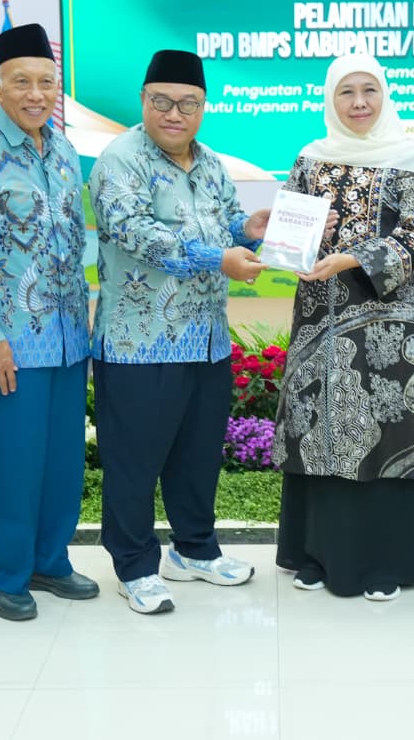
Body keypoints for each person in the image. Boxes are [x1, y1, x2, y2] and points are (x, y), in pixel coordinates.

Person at [90, 49, 268, 614]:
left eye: (188, 104)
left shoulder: (211, 162)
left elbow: (225, 222)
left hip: (206, 339)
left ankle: (194, 549)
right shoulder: (120, 160)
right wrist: (219, 258)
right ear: (143, 100)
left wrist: (250, 228)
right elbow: (137, 233)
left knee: (197, 456)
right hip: (139, 343)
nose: (175, 114)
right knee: (134, 462)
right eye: (162, 101)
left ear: (203, 107)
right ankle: (135, 565)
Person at [0, 23, 96, 621]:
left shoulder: (62, 150)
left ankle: (50, 561)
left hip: (66, 339)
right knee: (12, 462)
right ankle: (7, 574)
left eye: (46, 82)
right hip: (6, 345)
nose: (36, 94)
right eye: (22, 82)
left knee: (62, 461)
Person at [273, 53, 414, 601]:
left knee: (384, 428)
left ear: (385, 94)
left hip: (385, 324)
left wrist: (351, 258)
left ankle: (383, 562)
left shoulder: (411, 157)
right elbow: (289, 237)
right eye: (346, 92)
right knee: (317, 428)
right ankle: (316, 555)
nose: (359, 102)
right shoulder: (310, 158)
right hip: (317, 319)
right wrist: (299, 241)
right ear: (331, 99)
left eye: (369, 90)